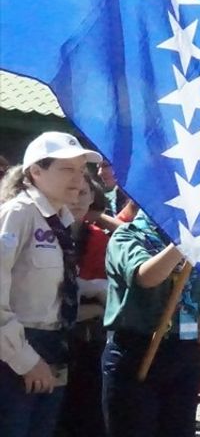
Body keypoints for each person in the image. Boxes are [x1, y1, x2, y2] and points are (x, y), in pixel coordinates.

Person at [0, 132, 100, 437]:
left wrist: (95, 288)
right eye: (66, 169)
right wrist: (26, 360)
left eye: (81, 171)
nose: (78, 180)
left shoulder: (59, 220)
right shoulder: (17, 214)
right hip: (16, 351)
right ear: (36, 171)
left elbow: (47, 283)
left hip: (54, 345)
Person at [101, 209, 200, 437]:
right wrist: (182, 243)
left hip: (183, 351)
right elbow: (146, 276)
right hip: (137, 351)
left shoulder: (198, 245)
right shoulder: (128, 235)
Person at [57, 175, 111, 437]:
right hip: (52, 338)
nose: (78, 199)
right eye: (73, 191)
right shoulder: (45, 233)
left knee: (89, 414)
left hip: (91, 343)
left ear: (93, 198)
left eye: (85, 193)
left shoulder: (101, 239)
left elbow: (109, 297)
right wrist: (96, 308)